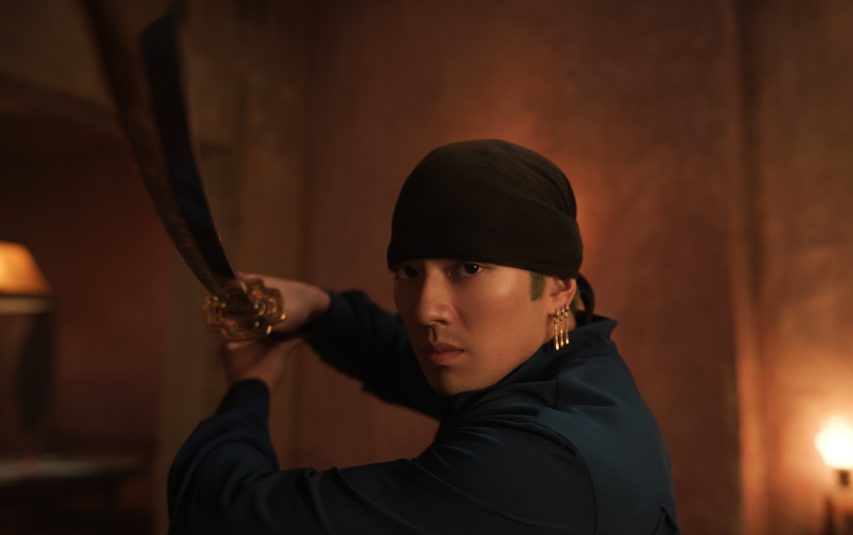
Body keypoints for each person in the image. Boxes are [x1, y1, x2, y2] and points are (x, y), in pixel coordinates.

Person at [167, 139, 679, 534]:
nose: (425, 310)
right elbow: (400, 356)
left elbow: (222, 516)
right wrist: (318, 308)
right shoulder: (573, 365)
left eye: (469, 268)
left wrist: (248, 391)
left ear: (557, 289)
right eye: (410, 272)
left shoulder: (540, 462)